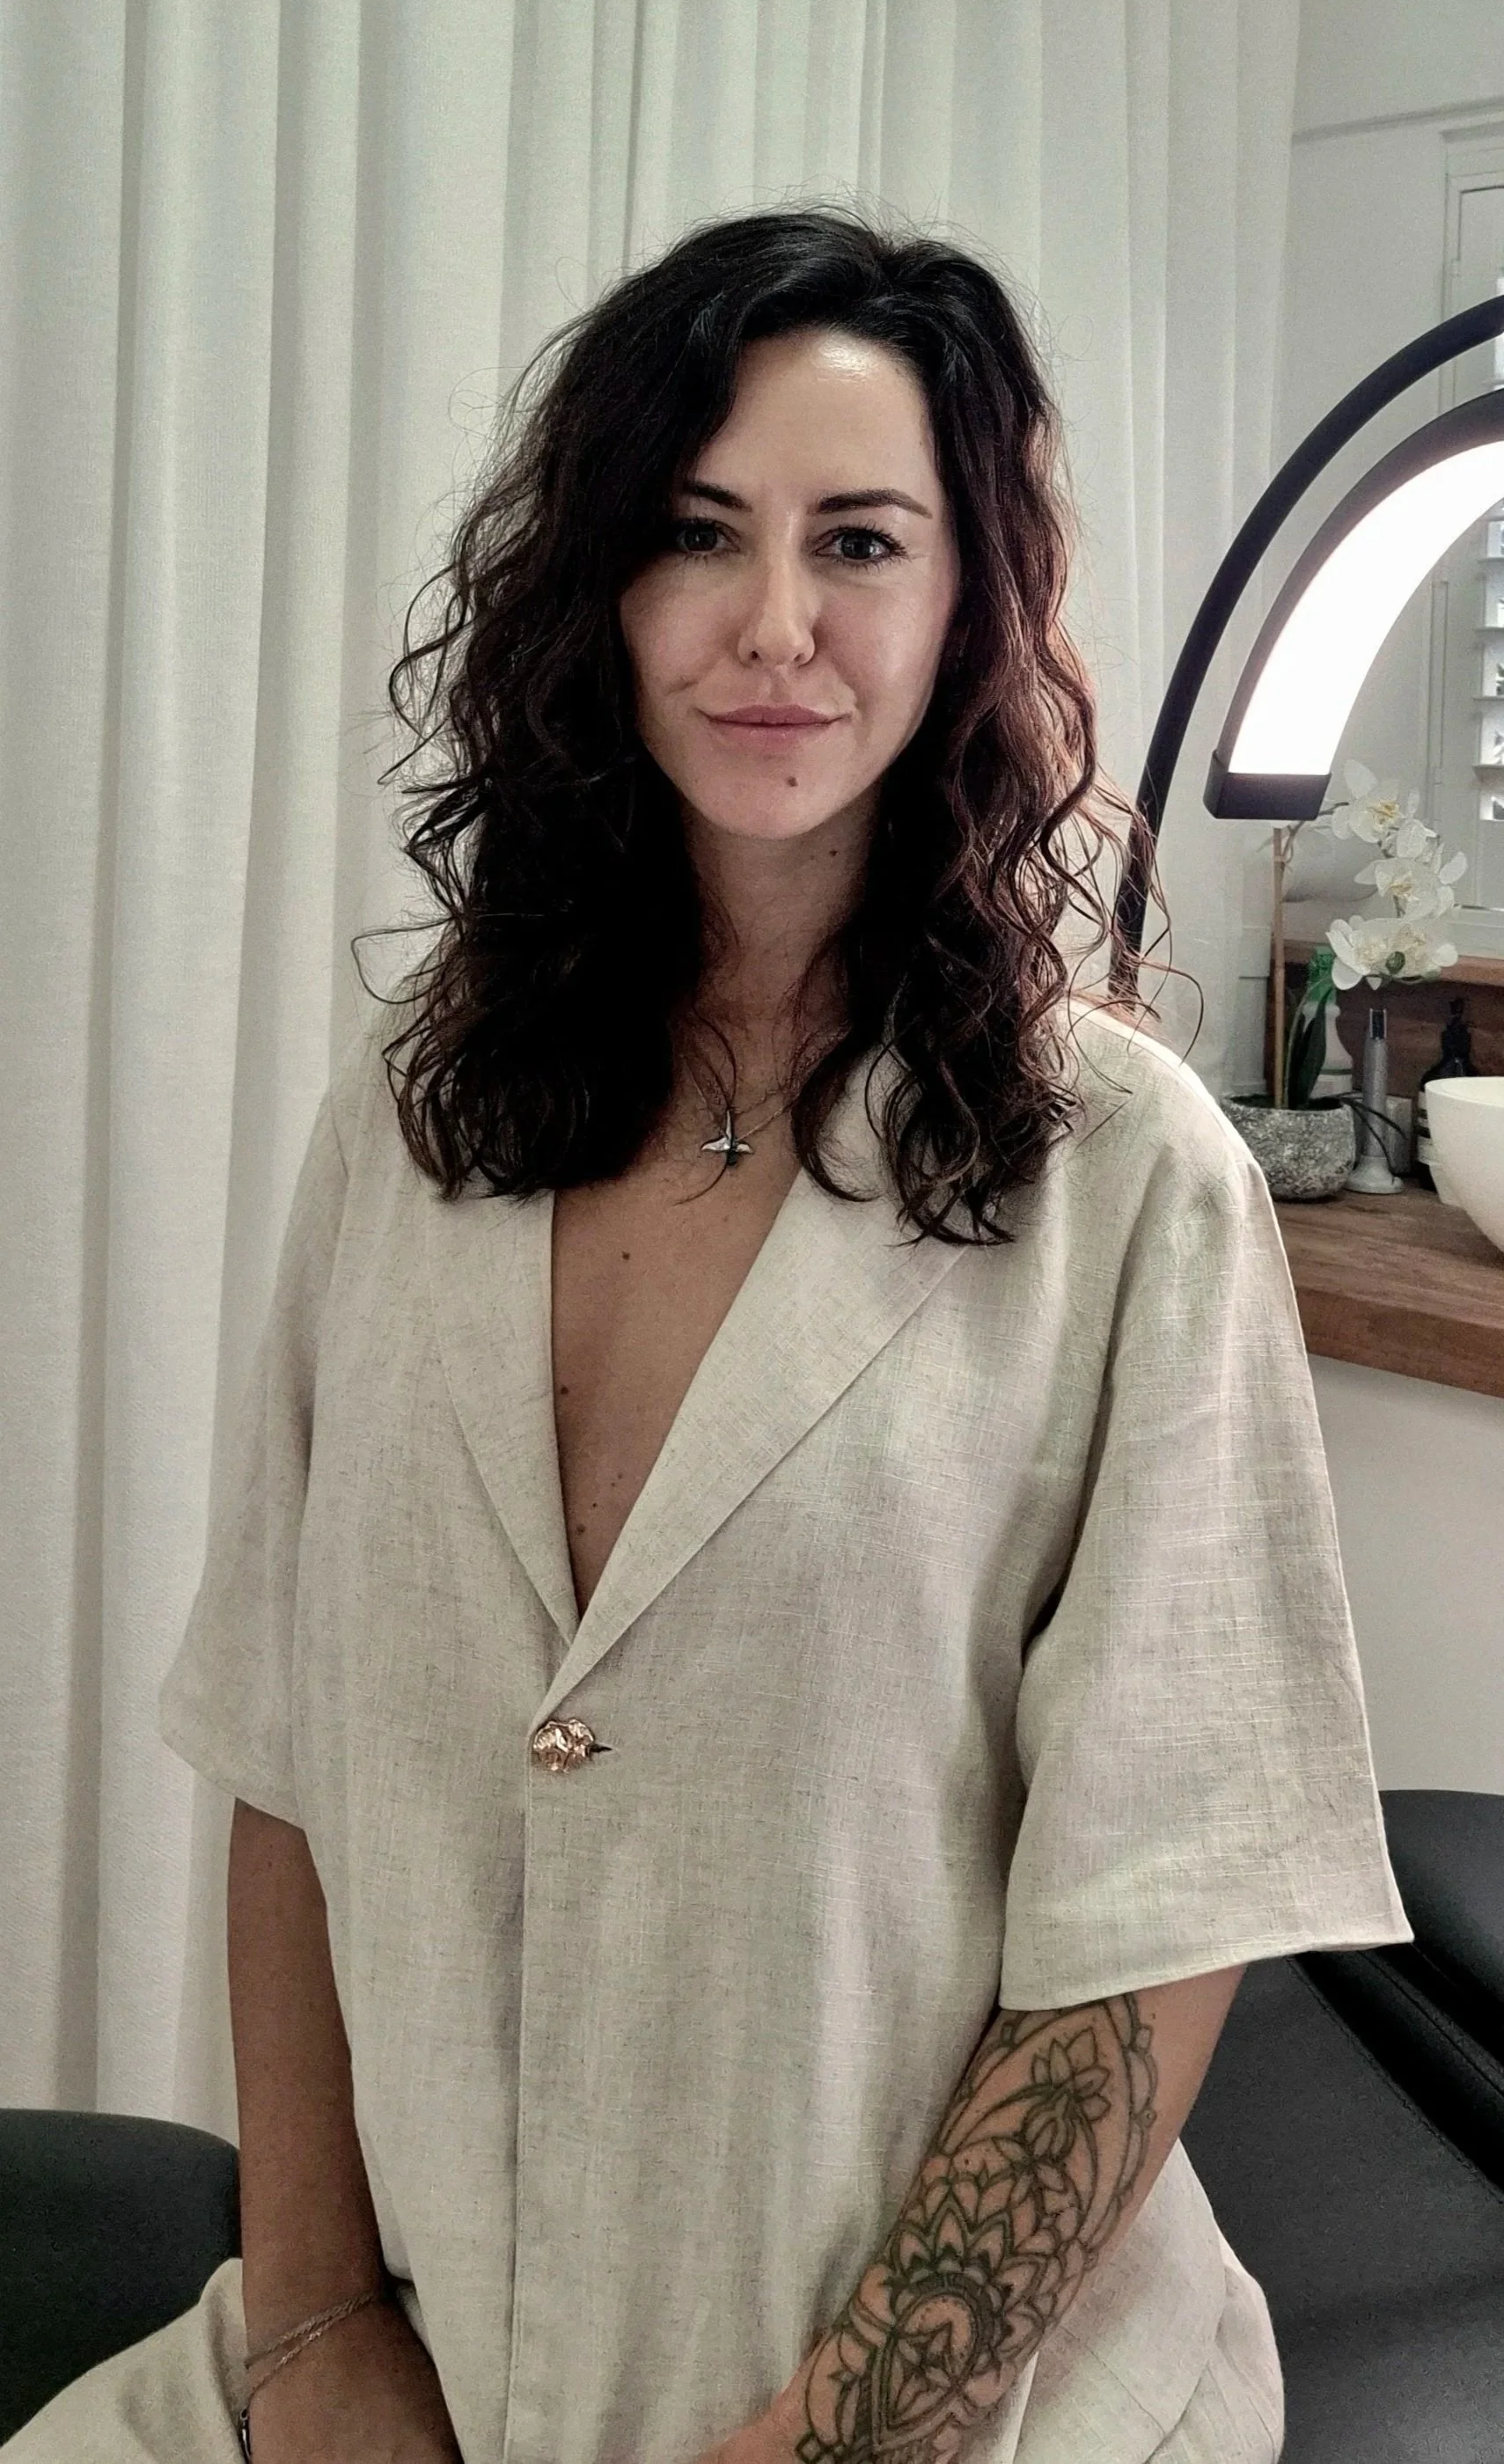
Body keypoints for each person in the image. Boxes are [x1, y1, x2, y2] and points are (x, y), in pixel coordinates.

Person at [6, 205, 1412, 2464]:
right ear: (600, 591)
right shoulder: (415, 1116)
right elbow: (290, 1764)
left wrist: (833, 2433)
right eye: (694, 533)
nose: (775, 627)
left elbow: (1158, 1919)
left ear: (965, 604)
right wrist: (312, 2326)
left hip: (936, 2403)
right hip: (412, 2351)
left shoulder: (1129, 1180)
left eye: (858, 539)